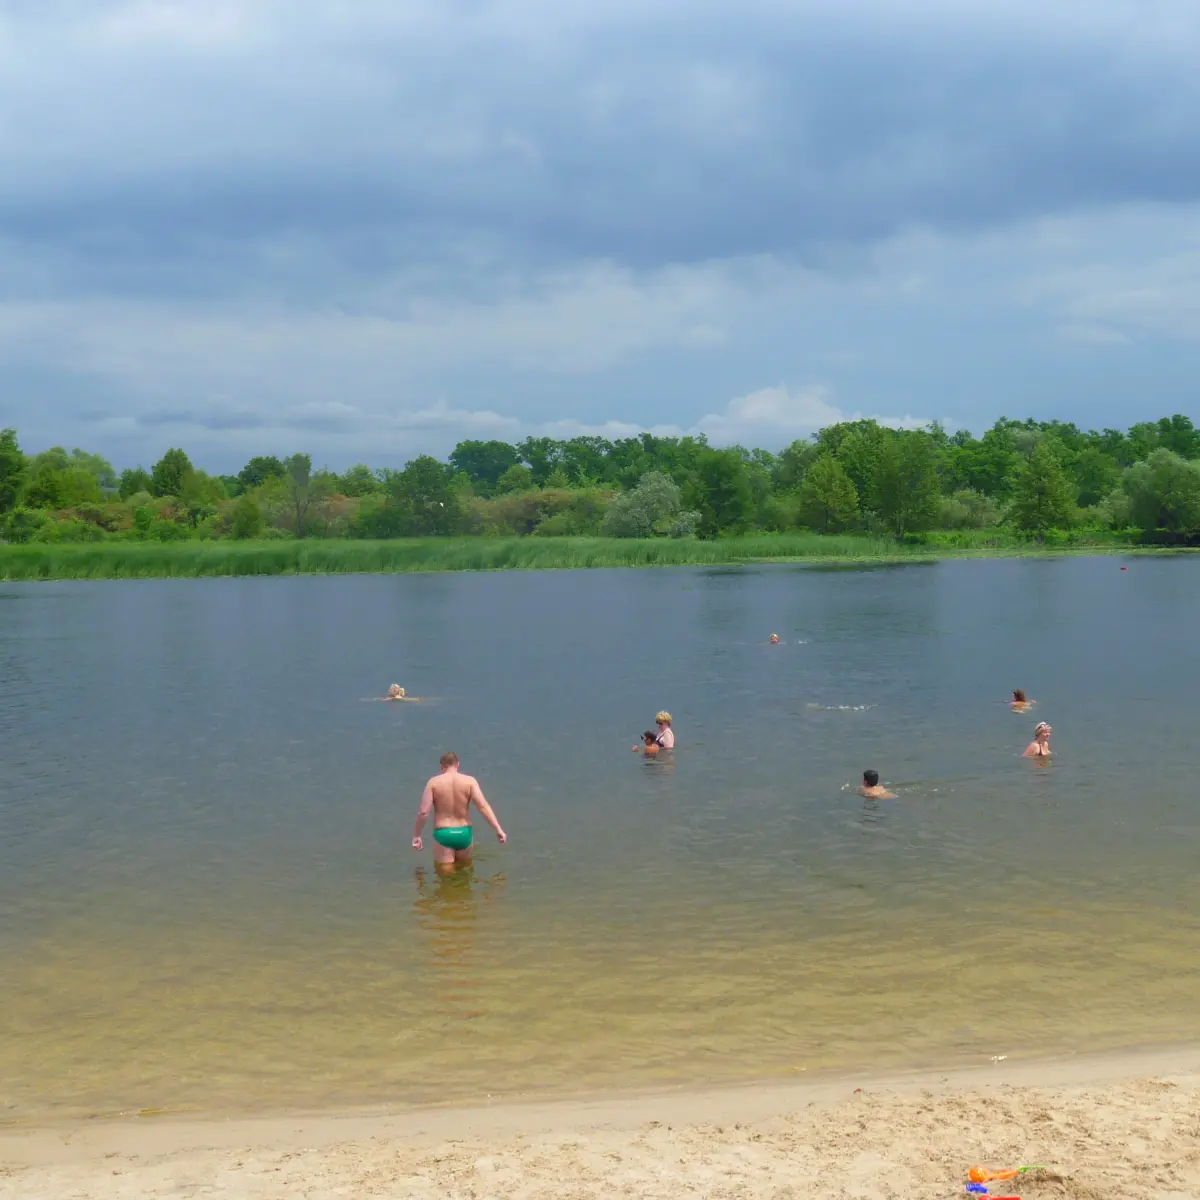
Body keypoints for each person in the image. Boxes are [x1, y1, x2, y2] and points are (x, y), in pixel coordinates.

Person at [412, 752, 507, 871]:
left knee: (446, 879)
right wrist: (498, 829)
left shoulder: (433, 783)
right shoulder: (470, 781)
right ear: (458, 765)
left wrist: (417, 835)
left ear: (441, 767)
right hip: (464, 833)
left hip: (444, 834)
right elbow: (483, 807)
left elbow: (424, 812)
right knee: (463, 874)